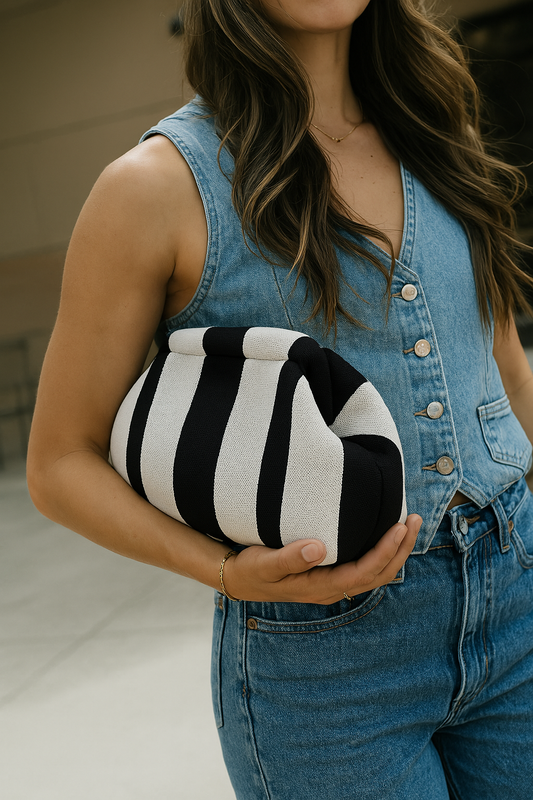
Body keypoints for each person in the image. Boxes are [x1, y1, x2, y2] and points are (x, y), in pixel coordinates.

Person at [27, 1, 533, 797]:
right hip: (324, 671)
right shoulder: (155, 188)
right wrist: (225, 571)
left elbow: (500, 359)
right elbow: (60, 462)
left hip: (518, 598)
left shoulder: (436, 126)